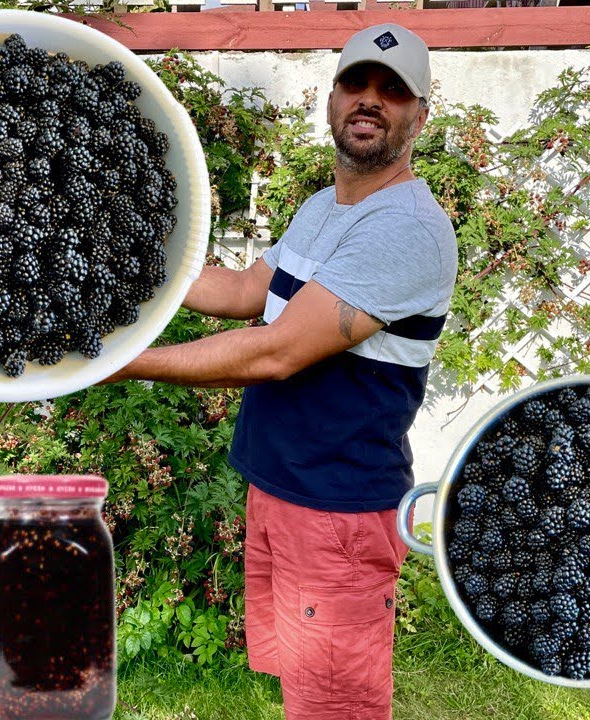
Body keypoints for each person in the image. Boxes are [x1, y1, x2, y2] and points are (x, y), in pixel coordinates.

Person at [104, 23, 458, 720]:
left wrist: (122, 363)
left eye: (393, 91)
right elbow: (245, 292)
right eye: (357, 83)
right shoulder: (324, 208)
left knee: (336, 708)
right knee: (304, 690)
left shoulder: (407, 229)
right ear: (332, 99)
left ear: (420, 114)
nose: (370, 101)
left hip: (338, 514)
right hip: (282, 490)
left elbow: (276, 350)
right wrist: (130, 273)